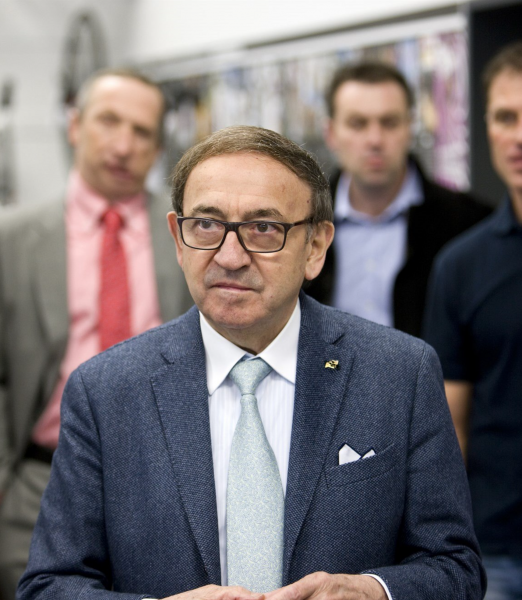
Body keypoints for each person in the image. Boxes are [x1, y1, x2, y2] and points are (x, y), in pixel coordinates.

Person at [18, 126, 484, 600]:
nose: (230, 256)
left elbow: (455, 567)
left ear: (316, 247)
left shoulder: (399, 374)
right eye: (206, 225)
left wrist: (374, 592)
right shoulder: (105, 392)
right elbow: (49, 585)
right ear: (177, 239)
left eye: (264, 228)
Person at [0, 68, 192, 598]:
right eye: (109, 121)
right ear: (74, 125)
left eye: (142, 131)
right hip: (38, 481)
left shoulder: (192, 235)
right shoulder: (13, 240)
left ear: (159, 147)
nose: (124, 145)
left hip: (168, 481)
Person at [424, 41, 522, 600]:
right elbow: (450, 425)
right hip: (497, 543)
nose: (518, 136)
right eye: (505, 117)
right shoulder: (461, 265)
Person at [306, 61, 491, 338]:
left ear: (410, 127)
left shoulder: (468, 222)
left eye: (389, 122)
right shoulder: (302, 223)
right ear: (331, 133)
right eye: (358, 124)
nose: (375, 139)